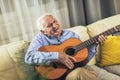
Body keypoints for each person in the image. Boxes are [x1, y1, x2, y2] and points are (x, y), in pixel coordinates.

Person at [25, 13, 106, 80]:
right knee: (80, 73)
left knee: (86, 71)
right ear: (43, 31)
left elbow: (83, 60)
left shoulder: (71, 35)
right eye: (49, 25)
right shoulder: (39, 39)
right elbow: (29, 57)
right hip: (61, 76)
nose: (55, 26)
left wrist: (94, 44)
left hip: (81, 69)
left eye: (54, 21)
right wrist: (57, 56)